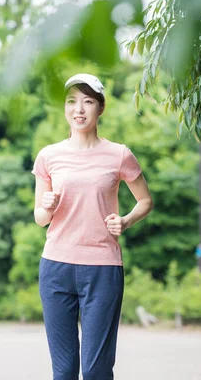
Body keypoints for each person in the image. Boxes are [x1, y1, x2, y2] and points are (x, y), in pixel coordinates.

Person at [31, 73, 154, 380]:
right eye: (72, 101)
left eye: (88, 101)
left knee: (96, 369)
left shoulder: (119, 154)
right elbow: (39, 218)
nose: (79, 109)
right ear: (65, 109)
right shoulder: (49, 156)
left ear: (101, 108)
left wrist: (124, 221)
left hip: (102, 268)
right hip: (56, 268)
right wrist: (46, 207)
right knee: (64, 370)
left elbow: (145, 201)